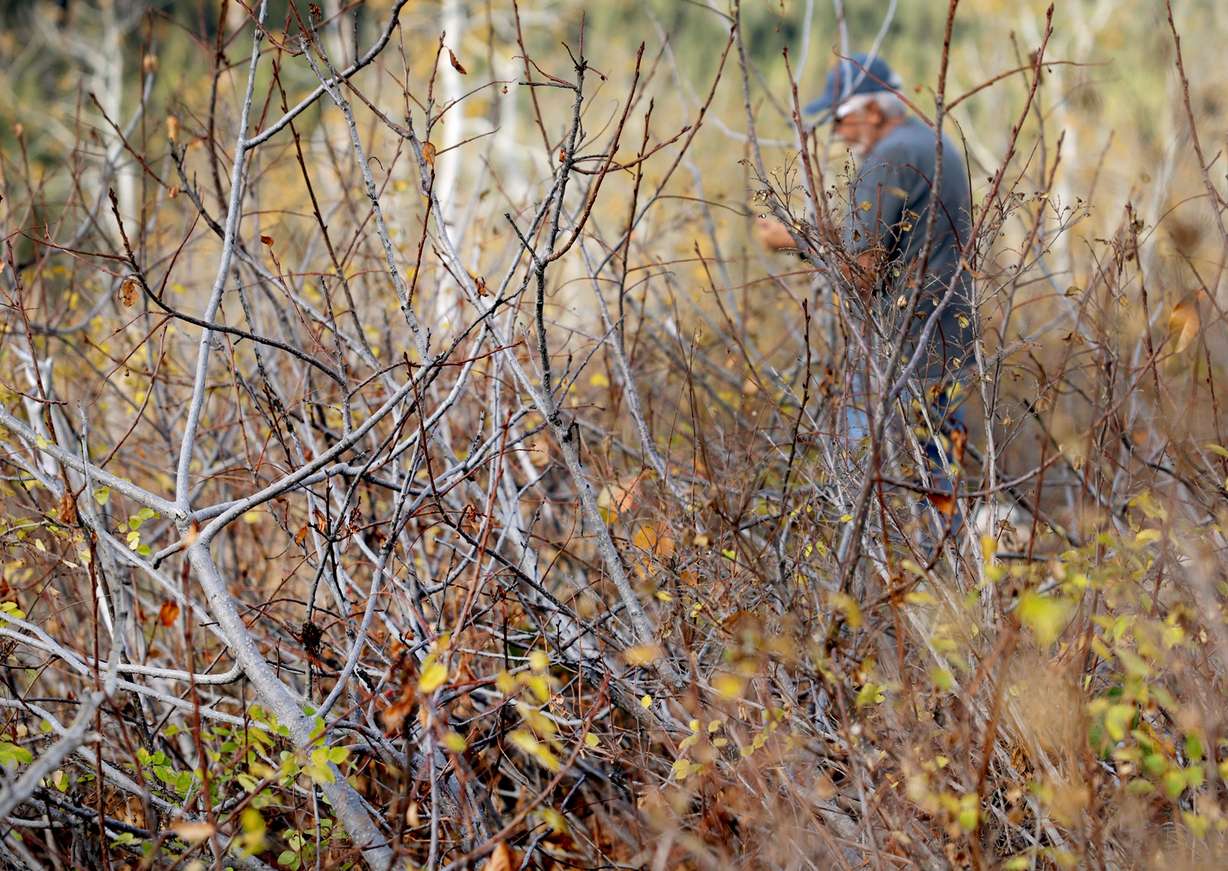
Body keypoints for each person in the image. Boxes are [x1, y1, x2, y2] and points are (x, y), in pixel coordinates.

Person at [758, 52, 975, 508]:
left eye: (840, 118)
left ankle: (883, 573)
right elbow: (897, 235)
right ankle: (951, 570)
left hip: (900, 350)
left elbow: (861, 272)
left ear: (873, 111)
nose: (836, 133)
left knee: (870, 488)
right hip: (949, 342)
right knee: (941, 483)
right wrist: (804, 233)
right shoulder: (933, 145)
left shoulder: (889, 156)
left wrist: (794, 243)